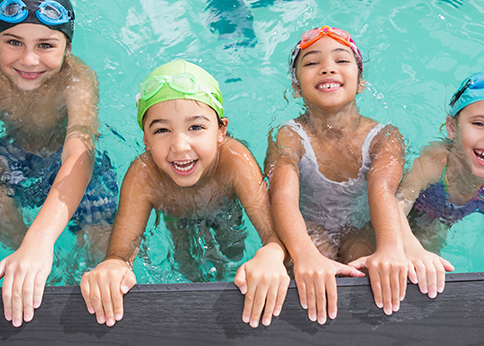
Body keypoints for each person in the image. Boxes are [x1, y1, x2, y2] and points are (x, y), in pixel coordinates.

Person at [81, 59, 290, 328]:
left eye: (196, 127)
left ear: (221, 130)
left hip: (224, 206)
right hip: (176, 216)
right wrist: (113, 267)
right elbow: (120, 255)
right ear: (145, 139)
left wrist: (271, 254)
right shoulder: (143, 174)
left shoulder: (236, 161)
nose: (180, 146)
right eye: (162, 130)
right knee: (188, 270)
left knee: (234, 251)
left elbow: (275, 235)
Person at [265, 25, 413, 324]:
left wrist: (390, 248)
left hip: (359, 228)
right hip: (310, 228)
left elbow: (383, 188)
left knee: (370, 261)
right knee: (308, 264)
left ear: (361, 83)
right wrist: (304, 254)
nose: (327, 68)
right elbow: (281, 194)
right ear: (296, 87)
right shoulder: (289, 135)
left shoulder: (384, 136)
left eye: (341, 60)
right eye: (311, 62)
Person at [0, 0, 117, 328]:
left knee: (103, 244)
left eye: (46, 45)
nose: (29, 59)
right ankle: (30, 270)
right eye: (13, 42)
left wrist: (42, 239)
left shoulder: (77, 78)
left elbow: (80, 151)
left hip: (71, 158)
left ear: (67, 48)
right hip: (14, 154)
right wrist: (28, 244)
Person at [395, 73, 484, 294]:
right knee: (423, 249)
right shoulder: (435, 162)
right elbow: (395, 205)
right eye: (479, 123)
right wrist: (410, 246)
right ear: (452, 127)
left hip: (449, 216)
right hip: (422, 211)